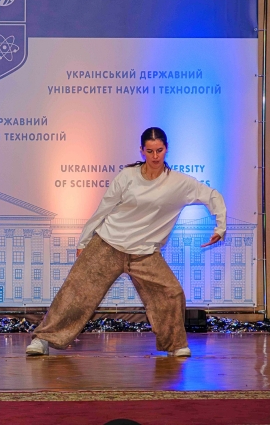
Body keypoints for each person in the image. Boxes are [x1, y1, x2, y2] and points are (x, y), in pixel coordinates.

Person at [26, 127, 226, 357]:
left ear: (166, 149)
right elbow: (104, 208)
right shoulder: (128, 176)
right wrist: (84, 241)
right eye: (149, 151)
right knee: (75, 292)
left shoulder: (179, 183)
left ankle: (175, 345)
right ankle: (43, 339)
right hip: (108, 245)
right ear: (142, 151)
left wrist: (220, 227)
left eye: (159, 150)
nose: (155, 156)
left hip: (144, 253)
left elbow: (212, 195)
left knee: (171, 292)